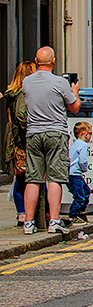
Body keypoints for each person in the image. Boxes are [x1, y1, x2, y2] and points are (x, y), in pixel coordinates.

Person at [21, 47, 81, 235]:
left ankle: (28, 223)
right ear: (53, 61)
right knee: (55, 178)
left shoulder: (26, 82)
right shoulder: (60, 82)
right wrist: (75, 91)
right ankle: (54, 221)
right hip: (55, 133)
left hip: (33, 134)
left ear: (36, 61)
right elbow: (74, 107)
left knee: (33, 179)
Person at [5, 61, 35, 227]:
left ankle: (22, 213)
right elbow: (21, 116)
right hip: (22, 142)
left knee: (20, 178)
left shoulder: (13, 93)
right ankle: (23, 214)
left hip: (15, 141)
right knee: (24, 178)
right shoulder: (22, 94)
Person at [67, 122, 93, 224]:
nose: (91, 136)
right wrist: (84, 168)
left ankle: (81, 212)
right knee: (80, 196)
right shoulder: (83, 145)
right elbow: (82, 161)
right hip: (75, 174)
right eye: (91, 133)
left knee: (86, 191)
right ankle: (73, 215)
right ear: (85, 134)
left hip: (72, 174)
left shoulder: (74, 144)